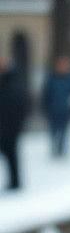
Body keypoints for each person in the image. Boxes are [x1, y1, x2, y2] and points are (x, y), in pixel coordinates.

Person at [0, 57, 30, 190]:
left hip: (11, 125)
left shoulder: (13, 81)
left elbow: (22, 103)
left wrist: (18, 123)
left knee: (11, 154)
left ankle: (15, 182)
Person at [41, 55, 70, 158]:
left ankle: (61, 149)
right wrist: (46, 109)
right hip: (53, 110)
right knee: (54, 130)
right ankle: (54, 148)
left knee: (64, 131)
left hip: (66, 110)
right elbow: (46, 95)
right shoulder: (52, 79)